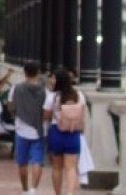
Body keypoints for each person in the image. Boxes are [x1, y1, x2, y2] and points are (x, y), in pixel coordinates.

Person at [44, 67, 86, 195]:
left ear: (59, 80)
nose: (51, 80)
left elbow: (46, 115)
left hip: (56, 132)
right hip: (73, 132)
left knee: (57, 168)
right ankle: (70, 193)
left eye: (53, 78)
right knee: (71, 168)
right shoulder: (78, 95)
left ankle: (58, 193)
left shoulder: (52, 96)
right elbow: (82, 114)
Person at [8, 62, 47, 195]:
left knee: (22, 162)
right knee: (37, 161)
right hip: (38, 130)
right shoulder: (43, 91)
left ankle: (24, 189)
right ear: (38, 73)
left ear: (24, 72)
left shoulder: (16, 88)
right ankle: (33, 189)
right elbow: (46, 111)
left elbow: (11, 107)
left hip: (21, 129)